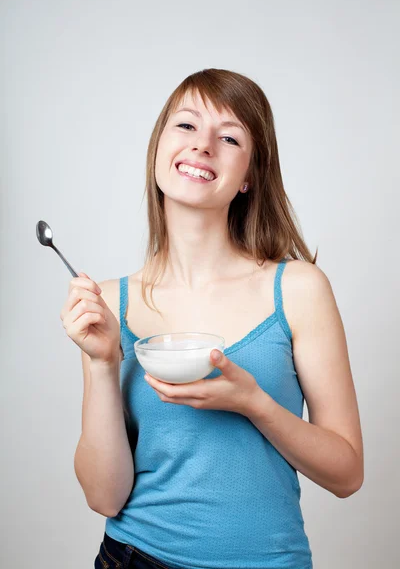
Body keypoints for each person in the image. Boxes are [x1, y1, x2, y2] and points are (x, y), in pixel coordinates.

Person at [61, 68, 364, 569]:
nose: (202, 145)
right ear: (159, 147)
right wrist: (100, 362)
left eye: (228, 137)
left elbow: (347, 474)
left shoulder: (299, 289)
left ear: (249, 176)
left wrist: (254, 404)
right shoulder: (108, 303)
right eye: (185, 126)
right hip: (135, 557)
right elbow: (104, 497)